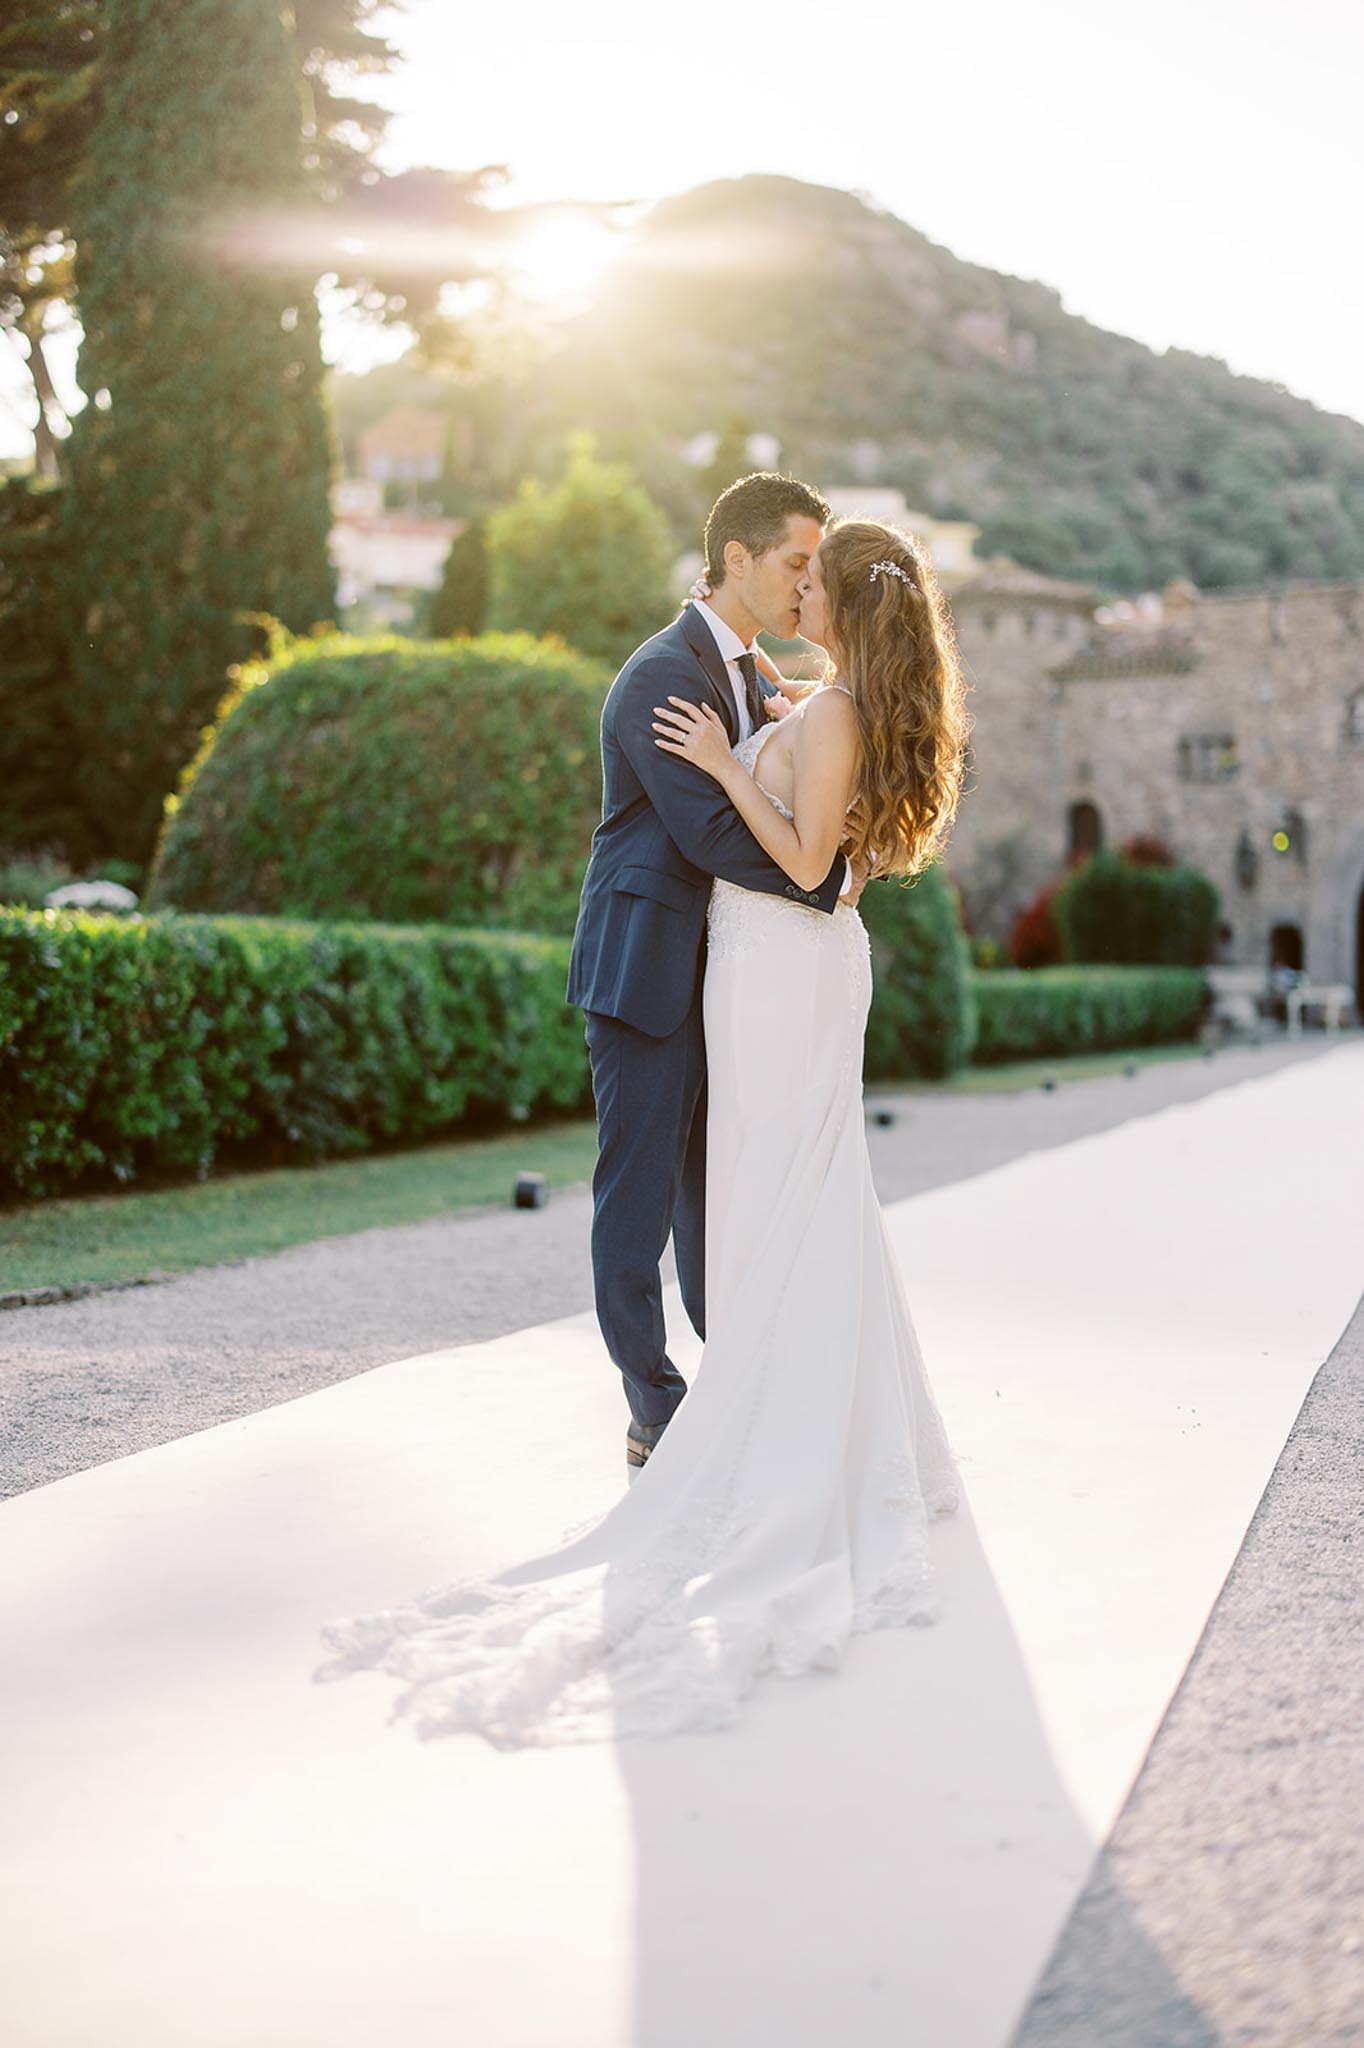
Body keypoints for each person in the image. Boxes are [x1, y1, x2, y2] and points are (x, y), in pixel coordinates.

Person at [316, 513, 973, 1746]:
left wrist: (773, 785)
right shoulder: (665, 676)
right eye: (790, 561)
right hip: (656, 965)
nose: (798, 584)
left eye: (815, 574)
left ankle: (757, 1397)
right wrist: (788, 819)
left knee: (743, 1193)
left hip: (763, 967)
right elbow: (713, 836)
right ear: (732, 554)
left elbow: (789, 830)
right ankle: (657, 1404)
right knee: (644, 1200)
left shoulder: (769, 683)